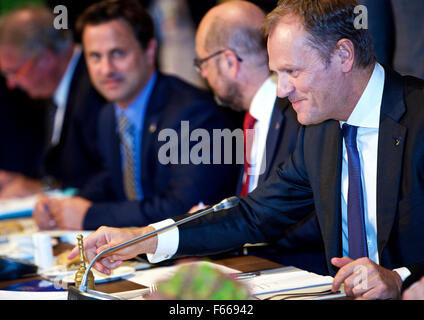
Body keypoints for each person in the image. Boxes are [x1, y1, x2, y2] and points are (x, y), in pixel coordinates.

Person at [70, 0, 424, 300]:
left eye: (291, 71)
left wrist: (400, 277)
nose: (282, 89)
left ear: (343, 55)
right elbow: (253, 215)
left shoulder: (418, 117)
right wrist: (140, 238)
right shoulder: (319, 131)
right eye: (275, 72)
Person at [34, 0, 238, 230]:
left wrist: (90, 215)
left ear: (150, 50)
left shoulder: (193, 114)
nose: (106, 69)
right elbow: (115, 182)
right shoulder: (108, 115)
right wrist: (60, 207)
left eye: (118, 53)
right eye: (95, 57)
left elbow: (185, 209)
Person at [192, 0, 325, 274]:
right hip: (257, 272)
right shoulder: (253, 116)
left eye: (202, 63)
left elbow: (316, 218)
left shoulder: (301, 113)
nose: (202, 74)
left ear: (229, 61)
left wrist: (228, 230)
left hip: (304, 277)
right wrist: (220, 223)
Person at [0, 5, 106, 198]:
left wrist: (45, 188)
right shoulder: (55, 90)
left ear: (45, 59)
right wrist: (20, 183)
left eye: (14, 72)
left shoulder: (96, 86)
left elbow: (107, 178)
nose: (11, 84)